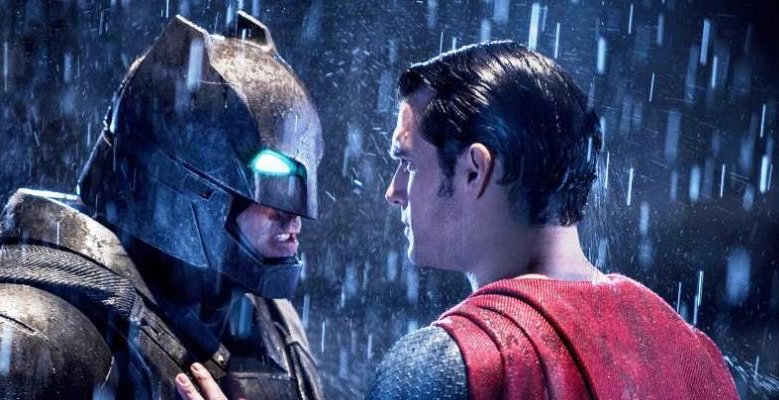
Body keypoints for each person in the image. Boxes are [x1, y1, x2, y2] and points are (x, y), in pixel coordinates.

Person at [175, 41, 738, 400]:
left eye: (407, 163)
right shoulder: (693, 353)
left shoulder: (448, 367)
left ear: (474, 171)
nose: (393, 192)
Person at [0, 12, 324, 400]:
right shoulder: (12, 334)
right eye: (272, 189)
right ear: (187, 186)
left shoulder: (271, 333)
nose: (295, 217)